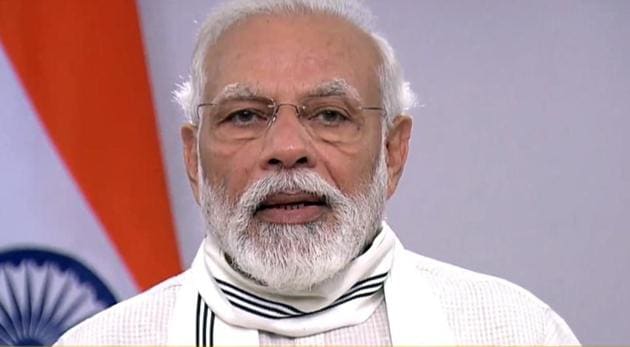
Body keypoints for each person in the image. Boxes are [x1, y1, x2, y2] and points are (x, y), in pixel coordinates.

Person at [56, 0, 579, 345]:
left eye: (330, 114)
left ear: (393, 152)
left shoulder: (516, 331)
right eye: (245, 116)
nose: (286, 148)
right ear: (193, 158)